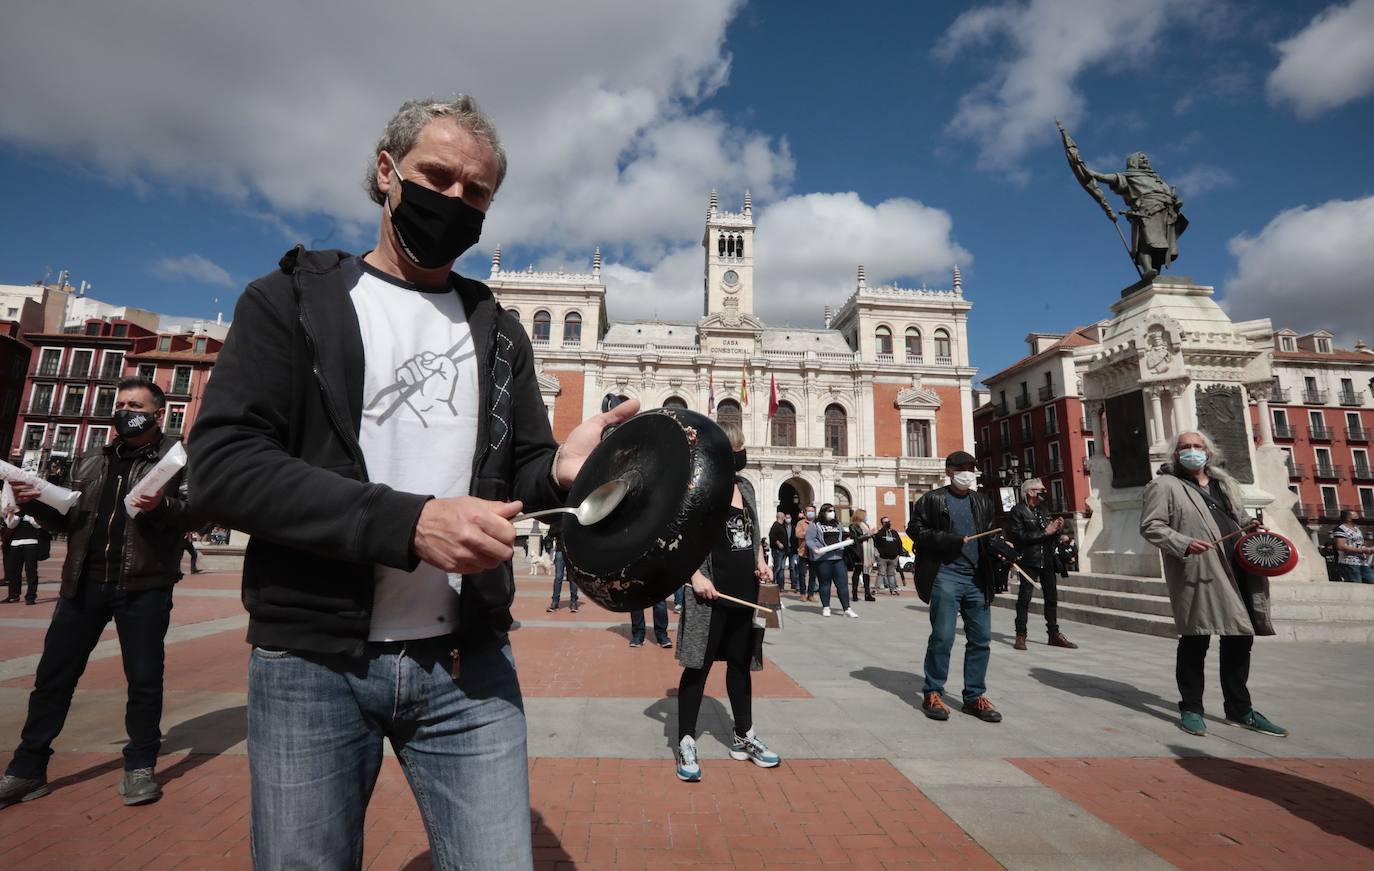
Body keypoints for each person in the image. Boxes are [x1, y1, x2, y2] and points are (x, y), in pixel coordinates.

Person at [188, 96, 639, 869]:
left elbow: (522, 473)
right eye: (438, 177)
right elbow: (223, 465)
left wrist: (562, 470)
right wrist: (410, 523)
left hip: (467, 662)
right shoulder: (291, 300)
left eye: (477, 192)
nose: (455, 199)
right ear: (386, 171)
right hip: (312, 660)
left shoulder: (499, 330)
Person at [0, 377, 193, 809]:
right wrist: (33, 502)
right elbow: (68, 523)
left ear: (158, 414)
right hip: (83, 582)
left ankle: (140, 765)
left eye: (135, 405)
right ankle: (27, 769)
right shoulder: (91, 460)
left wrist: (161, 505)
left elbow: (195, 514)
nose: (125, 411)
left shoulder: (178, 460)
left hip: (143, 585)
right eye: (121, 404)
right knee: (53, 677)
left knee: (144, 680)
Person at [1141, 431, 1287, 739]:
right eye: (1185, 447)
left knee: (1240, 638)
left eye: (1197, 446)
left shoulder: (1224, 484)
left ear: (1208, 452)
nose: (1192, 451)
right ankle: (1191, 708)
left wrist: (1250, 526)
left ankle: (1240, 709)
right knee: (1195, 638)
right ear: (1175, 454)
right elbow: (1152, 526)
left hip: (1238, 567)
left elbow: (1240, 517)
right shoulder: (1164, 485)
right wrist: (1182, 542)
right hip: (1200, 570)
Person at [674, 422, 779, 782]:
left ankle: (743, 736)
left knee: (740, 664)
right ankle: (686, 740)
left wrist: (761, 562)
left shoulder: (745, 487)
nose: (742, 454)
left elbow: (754, 532)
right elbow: (680, 537)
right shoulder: (699, 486)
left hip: (744, 592)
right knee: (698, 667)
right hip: (709, 595)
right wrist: (695, 575)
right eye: (737, 448)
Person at [907, 451, 1003, 724]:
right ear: (949, 470)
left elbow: (989, 533)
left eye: (972, 467)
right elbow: (915, 530)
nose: (967, 472)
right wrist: (947, 539)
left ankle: (974, 696)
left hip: (977, 579)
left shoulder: (982, 501)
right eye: (961, 468)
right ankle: (933, 692)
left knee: (981, 639)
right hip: (945, 576)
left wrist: (999, 548)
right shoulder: (932, 499)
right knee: (943, 636)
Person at [1008, 479, 1077, 651]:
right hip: (1028, 559)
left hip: (1047, 558)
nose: (1044, 493)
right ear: (1031, 492)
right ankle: (1021, 634)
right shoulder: (1018, 511)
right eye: (1041, 490)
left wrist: (1057, 529)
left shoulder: (1043, 510)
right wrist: (1046, 531)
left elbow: (1050, 535)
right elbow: (1020, 537)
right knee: (1024, 597)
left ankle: (1053, 634)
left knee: (1051, 597)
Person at [806, 503, 857, 618]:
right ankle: (826, 607)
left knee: (842, 584)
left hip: (838, 557)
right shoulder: (815, 525)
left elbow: (842, 535)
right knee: (825, 583)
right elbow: (809, 539)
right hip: (823, 558)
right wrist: (814, 548)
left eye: (833, 511)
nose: (832, 513)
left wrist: (847, 538)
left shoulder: (837, 524)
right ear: (823, 512)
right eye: (829, 511)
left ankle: (847, 608)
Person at [3, 503, 44, 605]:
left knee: (31, 571)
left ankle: (31, 596)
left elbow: (38, 525)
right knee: (13, 571)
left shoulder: (33, 511)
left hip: (31, 543)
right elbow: (10, 525)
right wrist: (12, 513)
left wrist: (28, 513)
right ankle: (13, 595)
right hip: (15, 543)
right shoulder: (16, 512)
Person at [1332, 510, 1374, 583]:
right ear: (1348, 518)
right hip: (1348, 562)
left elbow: (1359, 544)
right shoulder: (1340, 529)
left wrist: (1368, 549)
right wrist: (1361, 550)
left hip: (1362, 562)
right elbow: (1340, 546)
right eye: (1355, 516)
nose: (1358, 518)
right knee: (1355, 583)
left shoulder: (1357, 529)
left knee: (1371, 580)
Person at [545, 528, 579, 612]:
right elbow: (551, 533)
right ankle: (555, 602)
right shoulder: (558, 521)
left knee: (572, 578)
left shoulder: (574, 520)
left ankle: (573, 602)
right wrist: (559, 527)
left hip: (573, 551)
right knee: (558, 577)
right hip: (560, 550)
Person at [847, 508, 876, 601]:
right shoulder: (853, 526)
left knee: (866, 573)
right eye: (865, 515)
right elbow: (856, 539)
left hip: (867, 552)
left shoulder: (865, 525)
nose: (866, 517)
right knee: (857, 572)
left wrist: (873, 533)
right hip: (859, 552)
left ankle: (867, 594)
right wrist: (868, 534)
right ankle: (854, 593)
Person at [873, 515, 904, 596]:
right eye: (885, 522)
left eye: (888, 521)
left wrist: (898, 554)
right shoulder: (879, 533)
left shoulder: (894, 532)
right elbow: (874, 544)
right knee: (881, 574)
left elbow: (900, 544)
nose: (888, 523)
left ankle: (893, 590)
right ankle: (876, 590)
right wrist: (876, 554)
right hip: (882, 558)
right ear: (882, 523)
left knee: (891, 574)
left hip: (893, 558)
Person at [794, 505, 815, 599]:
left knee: (813, 574)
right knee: (802, 573)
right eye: (809, 511)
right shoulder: (801, 523)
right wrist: (809, 533)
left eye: (812, 511)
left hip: (814, 552)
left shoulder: (816, 523)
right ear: (805, 513)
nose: (811, 513)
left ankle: (811, 594)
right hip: (803, 551)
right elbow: (798, 534)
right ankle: (802, 593)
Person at [768, 510, 792, 589]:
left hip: (783, 551)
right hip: (777, 551)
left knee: (782, 568)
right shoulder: (776, 525)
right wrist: (778, 543)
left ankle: (780, 585)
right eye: (784, 516)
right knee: (777, 567)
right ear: (782, 517)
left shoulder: (782, 526)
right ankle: (772, 582)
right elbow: (771, 535)